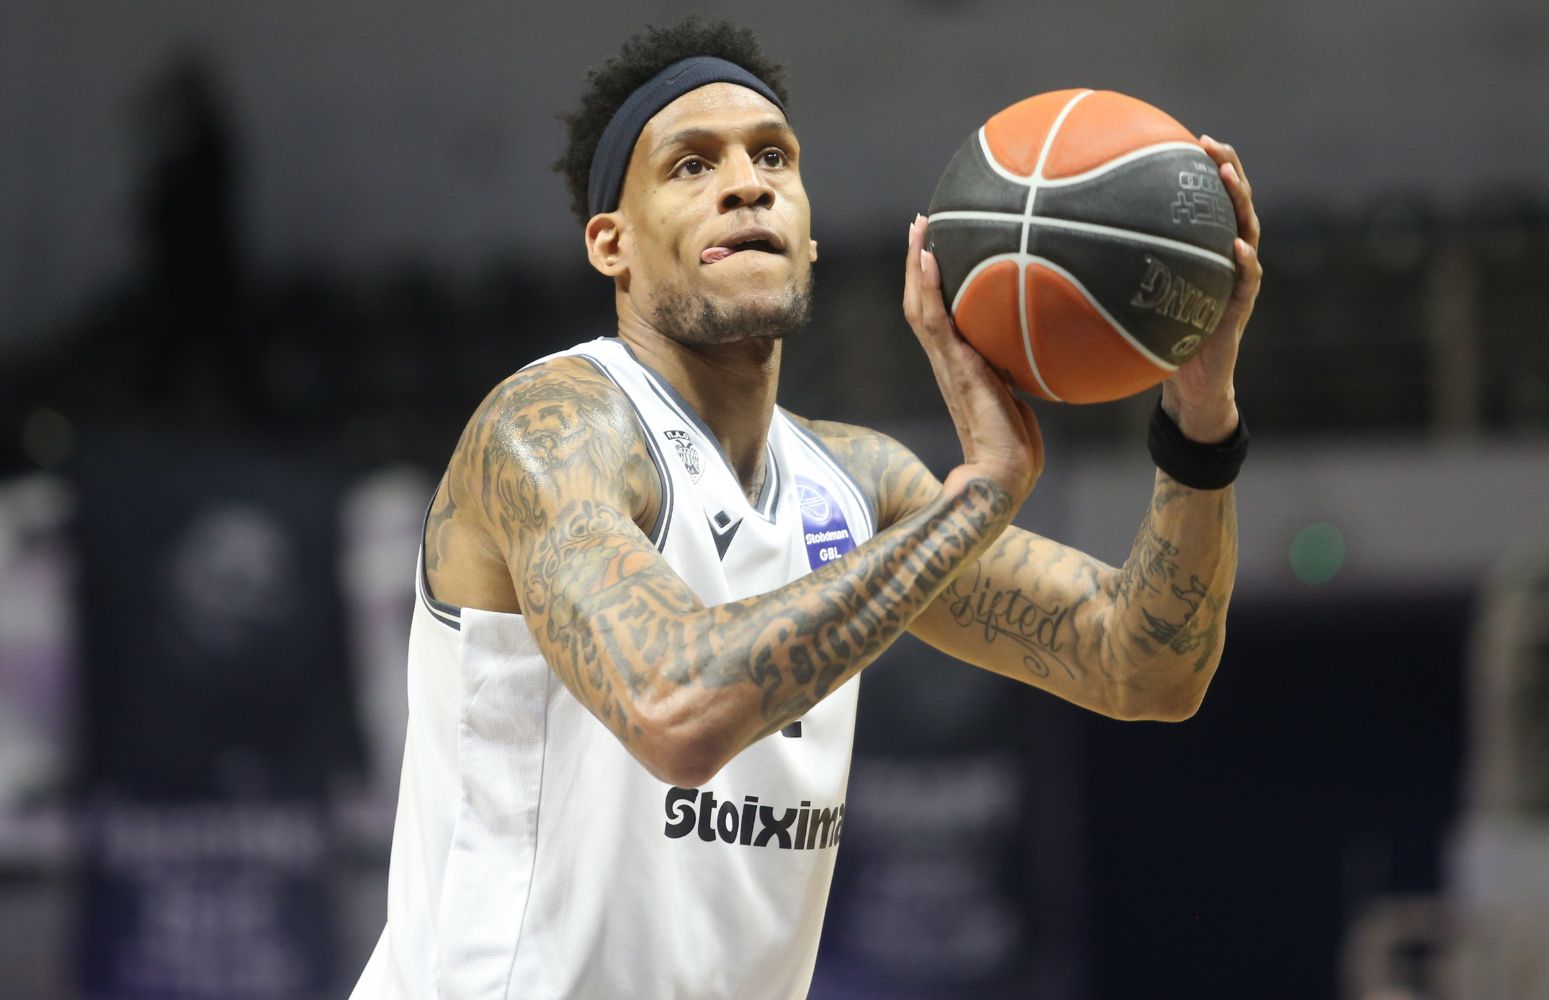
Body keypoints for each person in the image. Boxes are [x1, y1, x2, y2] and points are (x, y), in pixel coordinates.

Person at [352, 16, 1260, 1000]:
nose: (746, 183)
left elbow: (1141, 666)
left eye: (772, 158)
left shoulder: (856, 483)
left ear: (808, 232)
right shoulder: (553, 427)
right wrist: (974, 500)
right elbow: (673, 709)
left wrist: (1200, 422)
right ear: (612, 245)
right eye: (691, 165)